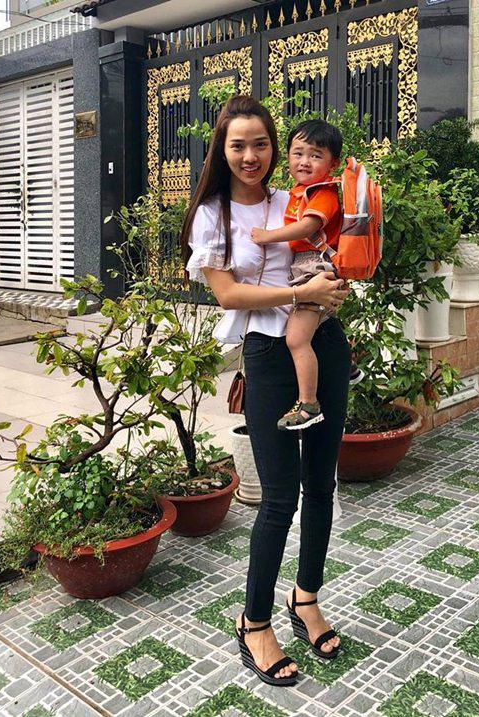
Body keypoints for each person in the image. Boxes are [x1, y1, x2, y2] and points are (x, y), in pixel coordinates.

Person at [180, 96, 350, 687]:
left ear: (276, 148)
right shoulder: (212, 215)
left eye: (260, 144)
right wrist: (302, 295)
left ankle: (306, 598)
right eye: (238, 145)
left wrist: (333, 286)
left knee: (322, 484)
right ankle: (254, 621)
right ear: (221, 150)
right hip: (269, 356)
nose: (250, 156)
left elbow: (330, 252)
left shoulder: (295, 200)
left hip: (324, 347)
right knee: (278, 499)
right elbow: (227, 294)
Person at [250, 119, 359, 431]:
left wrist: (268, 237)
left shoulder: (323, 193)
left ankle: (309, 405)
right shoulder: (300, 192)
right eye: (298, 153)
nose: (304, 161)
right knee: (315, 326)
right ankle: (349, 368)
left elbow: (309, 227)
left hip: (314, 267)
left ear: (332, 163)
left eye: (315, 155)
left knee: (296, 339)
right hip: (309, 265)